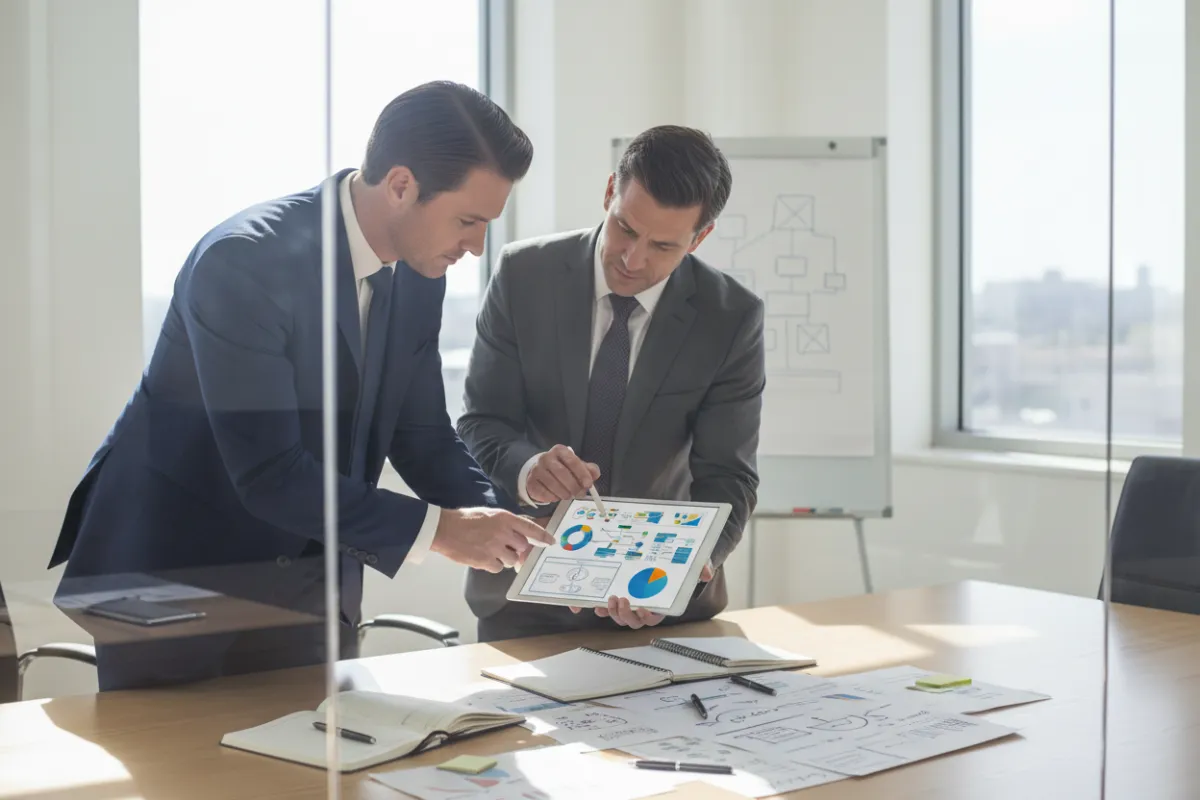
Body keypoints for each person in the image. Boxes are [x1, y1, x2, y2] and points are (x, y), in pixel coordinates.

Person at [48, 81, 552, 690]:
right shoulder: (244, 262)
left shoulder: (421, 273)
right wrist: (444, 532)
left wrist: (513, 536)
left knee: (312, 746)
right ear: (401, 185)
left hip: (307, 578)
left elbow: (420, 431)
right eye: (468, 221)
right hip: (174, 575)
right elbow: (270, 472)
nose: (475, 246)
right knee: (173, 751)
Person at [458, 125, 765, 642]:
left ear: (700, 238)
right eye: (625, 228)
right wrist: (529, 470)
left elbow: (728, 474)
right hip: (524, 594)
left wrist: (692, 567)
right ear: (609, 193)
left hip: (662, 599)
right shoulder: (523, 275)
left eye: (663, 246)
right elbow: (482, 421)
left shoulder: (729, 317)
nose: (633, 259)